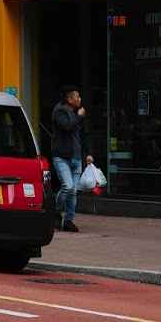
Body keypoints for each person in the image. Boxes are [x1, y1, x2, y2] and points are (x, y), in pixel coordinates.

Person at [50, 85, 93, 233]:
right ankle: (56, 213)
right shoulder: (58, 113)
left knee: (73, 191)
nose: (80, 99)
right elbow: (67, 127)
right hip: (61, 157)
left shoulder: (78, 115)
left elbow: (85, 135)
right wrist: (79, 116)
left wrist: (88, 153)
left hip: (76, 158)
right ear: (69, 99)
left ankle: (69, 220)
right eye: (77, 97)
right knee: (67, 186)